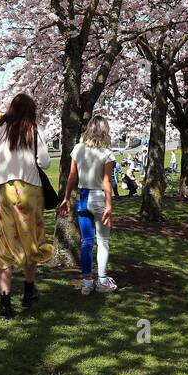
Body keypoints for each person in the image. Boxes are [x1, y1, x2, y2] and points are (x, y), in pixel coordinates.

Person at [0, 93, 54, 318]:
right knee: (32, 239)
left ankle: (5, 303)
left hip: (7, 191)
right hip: (30, 191)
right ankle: (28, 291)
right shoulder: (34, 131)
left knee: (6, 243)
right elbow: (44, 162)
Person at [58, 115, 116, 295]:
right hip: (99, 198)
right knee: (103, 241)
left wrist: (66, 197)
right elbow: (107, 182)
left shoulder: (78, 149)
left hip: (83, 198)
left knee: (87, 242)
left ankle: (86, 281)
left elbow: (72, 177)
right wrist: (109, 205)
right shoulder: (106, 153)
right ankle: (102, 280)